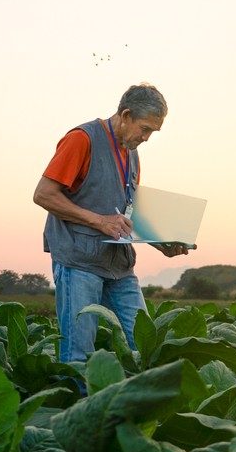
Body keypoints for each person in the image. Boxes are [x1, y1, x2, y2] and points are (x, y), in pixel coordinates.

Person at [32, 83, 189, 363]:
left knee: (145, 344)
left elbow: (125, 214)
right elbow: (43, 194)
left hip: (119, 265)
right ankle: (75, 406)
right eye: (145, 129)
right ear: (126, 115)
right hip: (79, 262)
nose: (147, 137)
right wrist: (98, 221)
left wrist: (159, 241)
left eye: (153, 131)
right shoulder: (82, 139)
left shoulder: (132, 153)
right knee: (79, 354)